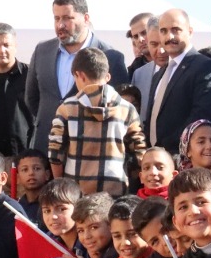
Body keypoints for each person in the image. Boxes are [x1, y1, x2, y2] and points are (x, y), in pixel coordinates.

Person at [23, 0, 128, 153]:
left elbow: (118, 108)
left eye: (67, 18)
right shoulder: (42, 51)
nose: (60, 25)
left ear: (86, 18)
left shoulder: (110, 56)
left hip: (89, 153)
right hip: (46, 147)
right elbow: (32, 98)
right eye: (56, 18)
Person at [48, 46, 146, 196]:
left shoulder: (67, 108)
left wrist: (62, 186)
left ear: (79, 75)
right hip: (116, 191)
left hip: (77, 193)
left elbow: (55, 154)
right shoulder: (128, 109)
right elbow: (139, 153)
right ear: (107, 77)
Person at [145, 10, 211, 150]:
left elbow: (202, 117)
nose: (169, 36)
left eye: (176, 30)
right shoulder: (159, 74)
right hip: (159, 162)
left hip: (185, 158)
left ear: (190, 32)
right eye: (164, 31)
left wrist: (168, 148)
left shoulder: (205, 67)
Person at [0, 22, 33, 157]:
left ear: (15, 46)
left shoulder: (31, 75)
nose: (2, 50)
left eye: (6, 45)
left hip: (24, 154)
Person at [130, 13, 162, 115]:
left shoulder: (176, 65)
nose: (140, 39)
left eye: (144, 33)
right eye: (135, 36)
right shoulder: (135, 73)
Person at [12, 152, 51, 217]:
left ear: (47, 174)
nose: (31, 173)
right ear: (18, 178)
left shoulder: (53, 203)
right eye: (25, 169)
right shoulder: (17, 206)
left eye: (37, 168)